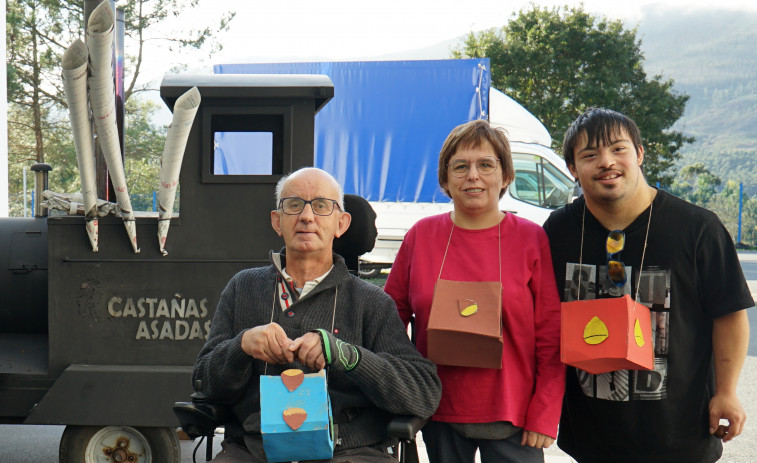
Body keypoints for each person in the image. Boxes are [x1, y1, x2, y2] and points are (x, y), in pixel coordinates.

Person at [543, 107, 754, 463]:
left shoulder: (697, 228)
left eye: (618, 149)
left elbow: (729, 315)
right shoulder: (558, 231)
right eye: (589, 155)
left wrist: (727, 391)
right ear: (573, 170)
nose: (606, 162)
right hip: (591, 438)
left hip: (679, 435)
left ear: (639, 154)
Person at [193, 167, 442, 462]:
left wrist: (349, 357)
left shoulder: (371, 302)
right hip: (254, 451)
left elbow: (423, 393)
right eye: (294, 204)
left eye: (322, 206)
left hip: (349, 452)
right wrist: (241, 346)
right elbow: (203, 384)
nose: (307, 217)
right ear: (277, 221)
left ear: (341, 223)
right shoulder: (243, 288)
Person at [384, 119, 565, 463]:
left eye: (486, 165)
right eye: (461, 166)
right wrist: (411, 380)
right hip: (439, 411)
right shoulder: (421, 237)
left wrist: (545, 411)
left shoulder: (530, 239)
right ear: (445, 179)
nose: (473, 175)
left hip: (515, 415)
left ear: (506, 176)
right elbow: (390, 318)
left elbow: (550, 333)